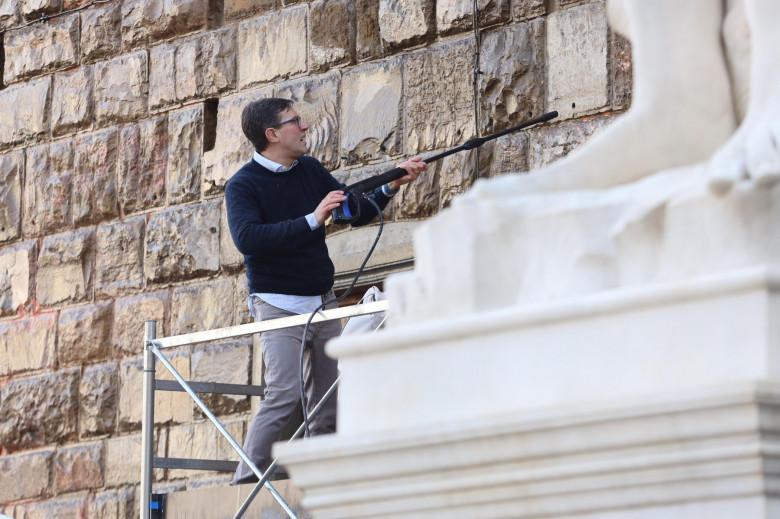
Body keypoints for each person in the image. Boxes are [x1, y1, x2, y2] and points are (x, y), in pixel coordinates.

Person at [225, 98, 427, 483]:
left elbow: (354, 212)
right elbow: (248, 239)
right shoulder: (243, 185)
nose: (304, 128)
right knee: (284, 392)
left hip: (323, 299)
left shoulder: (311, 169)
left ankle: (324, 477)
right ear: (272, 134)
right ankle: (246, 482)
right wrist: (312, 219)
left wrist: (390, 185)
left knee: (329, 397)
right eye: (295, 122)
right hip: (277, 303)